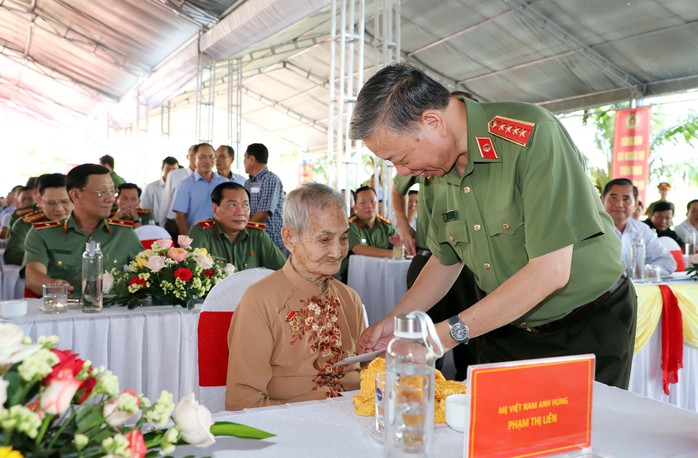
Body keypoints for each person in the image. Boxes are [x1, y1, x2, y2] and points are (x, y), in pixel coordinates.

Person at [349, 63, 636, 389]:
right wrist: (397, 322)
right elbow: (446, 260)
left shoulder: (531, 136)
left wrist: (444, 335)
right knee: (494, 434)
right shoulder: (435, 173)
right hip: (505, 326)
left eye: (399, 158)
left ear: (433, 122)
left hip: (586, 326)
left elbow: (551, 271)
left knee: (579, 438)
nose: (402, 172)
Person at [225, 183, 365, 410]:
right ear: (289, 238)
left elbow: (368, 377)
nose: (338, 252)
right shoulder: (260, 300)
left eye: (343, 239)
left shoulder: (350, 299)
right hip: (288, 429)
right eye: (324, 240)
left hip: (354, 421)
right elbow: (242, 402)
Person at [392, 174, 483, 381]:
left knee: (471, 338)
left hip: (469, 260)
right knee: (421, 337)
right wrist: (403, 224)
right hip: (427, 257)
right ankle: (423, 391)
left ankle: (466, 392)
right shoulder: (415, 153)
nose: (401, 166)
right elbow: (397, 188)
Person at [23, 164, 142, 297]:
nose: (111, 199)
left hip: (115, 313)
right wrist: (53, 285)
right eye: (101, 192)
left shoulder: (124, 233)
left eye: (112, 191)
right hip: (66, 312)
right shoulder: (43, 234)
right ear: (75, 195)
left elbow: (147, 273)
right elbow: (33, 276)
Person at [189, 182, 285, 271]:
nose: (240, 212)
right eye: (232, 205)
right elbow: (192, 275)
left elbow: (284, 270)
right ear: (215, 209)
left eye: (245, 205)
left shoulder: (257, 235)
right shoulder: (201, 233)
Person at [601, 178, 676, 275]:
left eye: (626, 199)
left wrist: (643, 272)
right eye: (613, 197)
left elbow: (668, 262)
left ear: (636, 204)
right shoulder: (590, 228)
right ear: (602, 200)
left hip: (637, 288)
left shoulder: (642, 230)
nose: (619, 204)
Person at [4, 174, 73, 266]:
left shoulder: (87, 222)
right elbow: (12, 255)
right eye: (51, 203)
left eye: (65, 202)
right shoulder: (26, 223)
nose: (59, 208)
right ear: (40, 200)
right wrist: (45, 259)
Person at [340, 185, 400, 280]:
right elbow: (358, 249)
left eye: (372, 201)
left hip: (382, 274)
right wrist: (392, 253)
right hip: (355, 275)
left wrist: (399, 245)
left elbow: (399, 245)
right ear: (355, 206)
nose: (369, 206)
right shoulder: (350, 225)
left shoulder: (386, 225)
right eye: (363, 203)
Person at [172, 143, 229, 235]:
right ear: (194, 159)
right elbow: (180, 217)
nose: (207, 161)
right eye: (202, 157)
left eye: (211, 156)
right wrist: (188, 243)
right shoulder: (185, 185)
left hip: (222, 237)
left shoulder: (225, 183)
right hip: (197, 238)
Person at [243, 143, 285, 253]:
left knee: (273, 270)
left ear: (251, 159)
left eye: (245, 157)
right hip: (253, 239)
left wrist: (242, 230)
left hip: (271, 240)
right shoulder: (247, 183)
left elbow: (263, 214)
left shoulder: (270, 179)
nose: (243, 161)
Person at [158, 145, 196, 233]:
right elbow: (166, 200)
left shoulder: (208, 178)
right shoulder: (175, 175)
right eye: (192, 155)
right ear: (187, 157)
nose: (194, 159)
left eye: (197, 156)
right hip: (174, 223)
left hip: (196, 224)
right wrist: (162, 225)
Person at [141, 156, 179, 224]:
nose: (171, 173)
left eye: (174, 169)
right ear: (162, 169)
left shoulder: (182, 188)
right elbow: (145, 210)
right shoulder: (151, 188)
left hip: (177, 225)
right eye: (168, 169)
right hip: (157, 225)